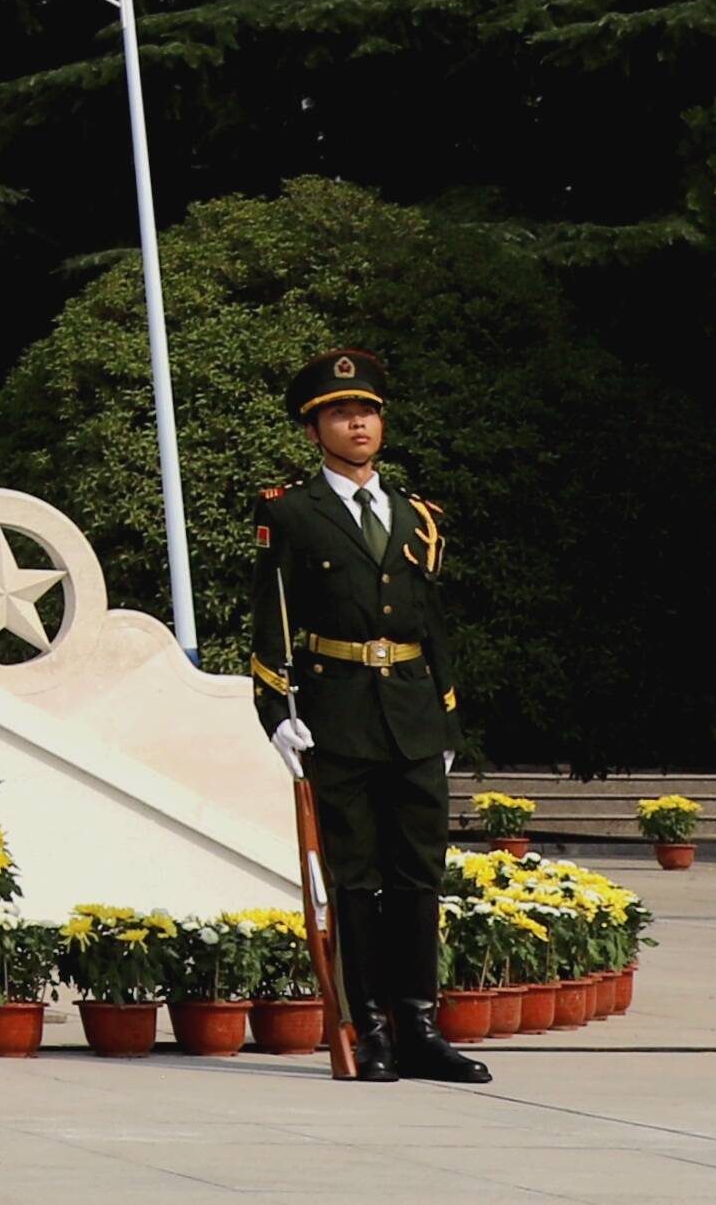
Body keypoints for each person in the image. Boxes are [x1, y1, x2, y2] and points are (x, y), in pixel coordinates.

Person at [253, 342, 489, 1087]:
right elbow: (271, 618)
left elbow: (434, 624)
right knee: (355, 879)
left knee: (419, 875)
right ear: (313, 429)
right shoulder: (290, 512)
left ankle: (420, 1025)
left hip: (413, 712)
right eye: (339, 415)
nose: (357, 425)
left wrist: (446, 719)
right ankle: (371, 1028)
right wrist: (275, 709)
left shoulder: (418, 517)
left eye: (367, 412)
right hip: (338, 712)